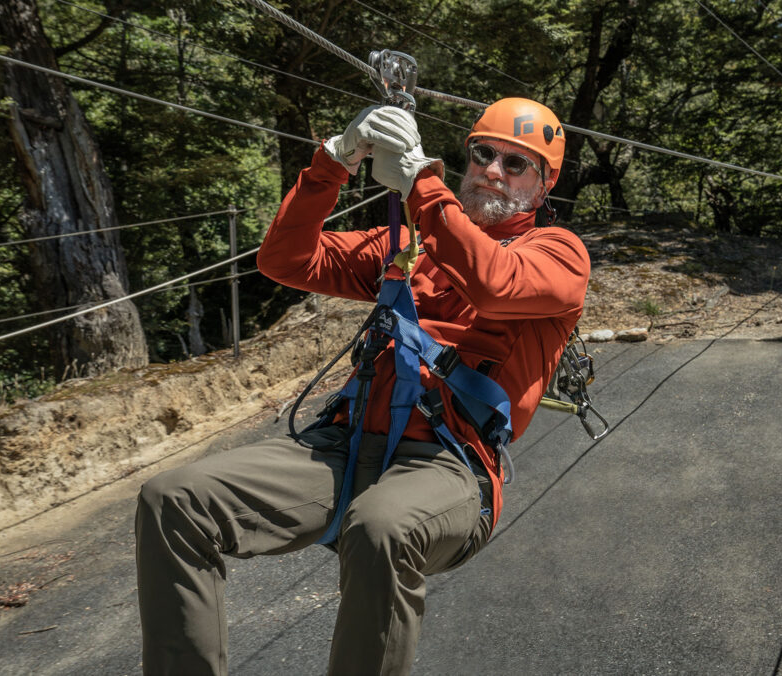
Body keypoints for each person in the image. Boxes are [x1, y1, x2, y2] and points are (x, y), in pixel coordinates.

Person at [134, 97, 590, 675]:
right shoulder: (407, 246)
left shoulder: (557, 254)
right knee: (174, 499)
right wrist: (334, 161)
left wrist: (422, 183)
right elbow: (284, 260)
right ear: (467, 159)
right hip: (348, 447)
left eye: (517, 163)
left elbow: (494, 284)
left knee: (382, 527)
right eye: (483, 153)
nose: (494, 170)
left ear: (544, 186)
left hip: (447, 466)